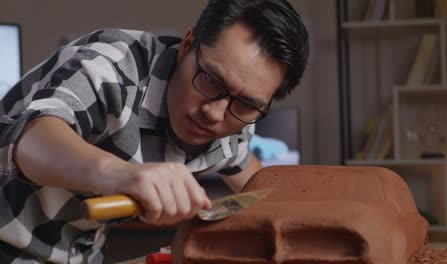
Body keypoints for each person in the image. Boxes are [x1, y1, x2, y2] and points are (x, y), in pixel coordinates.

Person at [0, 0, 309, 263]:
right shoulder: (112, 65)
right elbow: (31, 139)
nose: (215, 114)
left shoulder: (236, 119)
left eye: (245, 104)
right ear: (187, 46)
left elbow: (259, 188)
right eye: (211, 80)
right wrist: (120, 174)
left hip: (82, 253)